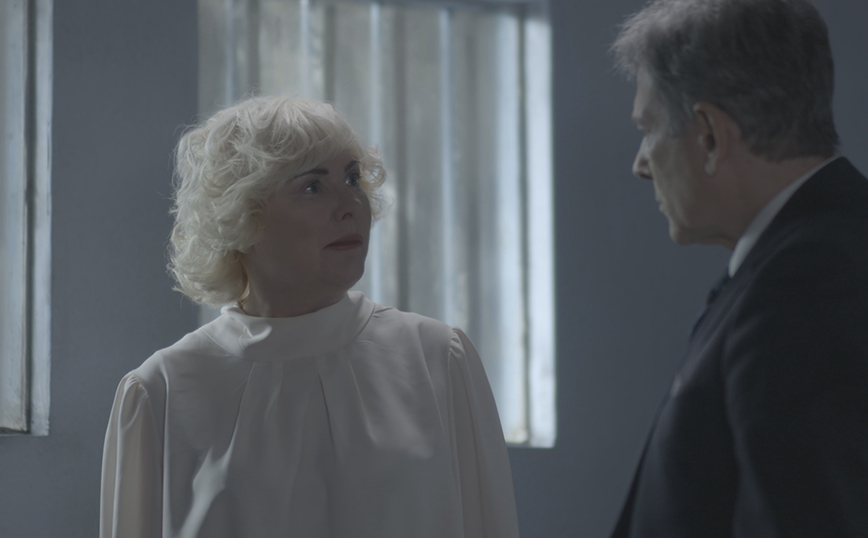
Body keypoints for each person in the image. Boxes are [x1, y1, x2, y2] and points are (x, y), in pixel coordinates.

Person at [100, 96, 520, 538]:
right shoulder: (162, 392)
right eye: (313, 187)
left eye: (352, 178)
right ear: (241, 216)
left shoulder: (436, 358)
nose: (351, 204)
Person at [610, 0, 868, 536]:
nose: (640, 164)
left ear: (709, 136)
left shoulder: (806, 286)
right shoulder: (812, 256)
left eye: (648, 129)